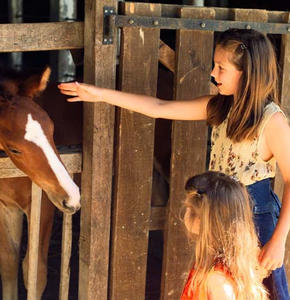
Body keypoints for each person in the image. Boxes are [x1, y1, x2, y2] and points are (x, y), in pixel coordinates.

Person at [58, 28, 290, 299]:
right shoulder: (220, 107)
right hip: (218, 219)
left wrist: (278, 240)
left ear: (247, 72)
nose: (213, 74)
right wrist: (99, 95)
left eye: (221, 67)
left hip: (255, 222)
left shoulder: (272, 121)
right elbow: (159, 107)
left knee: (266, 293)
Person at [181, 171, 268, 299]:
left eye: (190, 208)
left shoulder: (217, 281)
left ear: (206, 221)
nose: (185, 213)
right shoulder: (227, 266)